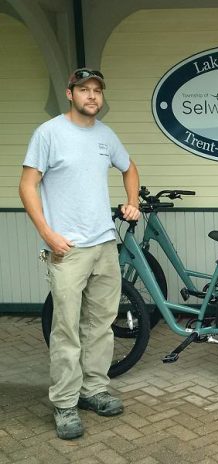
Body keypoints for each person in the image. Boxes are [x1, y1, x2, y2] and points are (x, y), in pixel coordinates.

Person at [19, 68, 141, 439]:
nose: (92, 96)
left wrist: (133, 201)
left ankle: (94, 390)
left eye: (97, 91)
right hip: (67, 248)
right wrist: (47, 233)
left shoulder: (106, 135)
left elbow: (129, 167)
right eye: (84, 90)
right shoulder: (49, 133)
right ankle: (66, 403)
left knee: (101, 325)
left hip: (104, 243)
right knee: (67, 329)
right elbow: (28, 184)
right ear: (70, 94)